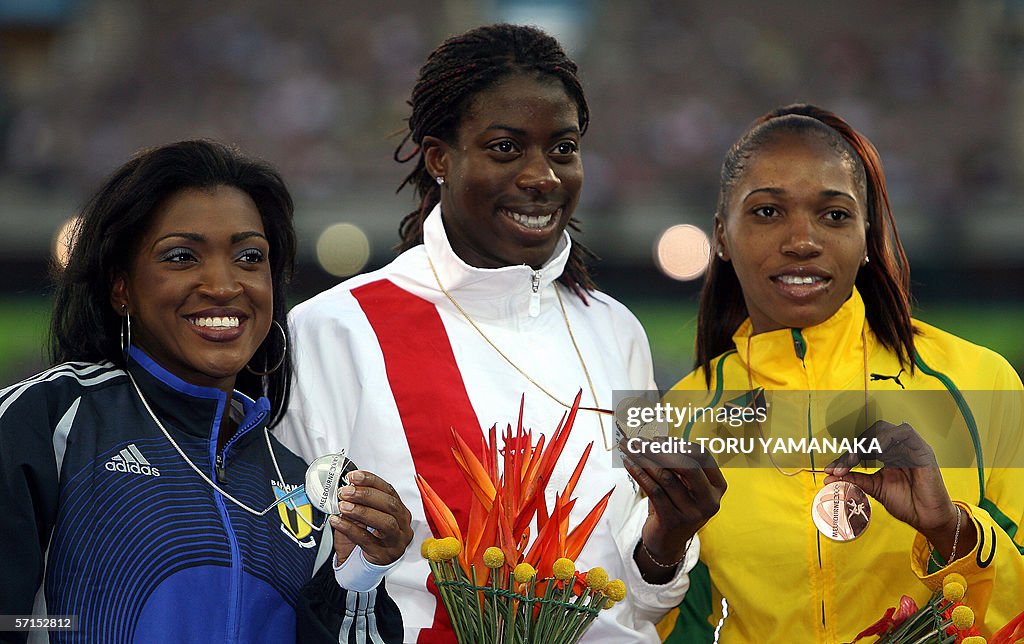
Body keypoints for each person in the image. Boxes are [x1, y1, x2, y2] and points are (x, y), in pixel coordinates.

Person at [276, 23, 723, 644]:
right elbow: (292, 561)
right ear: (439, 158)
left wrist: (670, 534)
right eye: (507, 148)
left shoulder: (619, 331)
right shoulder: (334, 330)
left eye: (563, 148)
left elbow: (643, 597)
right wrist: (357, 561)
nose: (543, 176)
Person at [0, 140, 410, 644]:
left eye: (248, 257)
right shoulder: (47, 422)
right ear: (121, 287)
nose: (222, 284)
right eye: (181, 256)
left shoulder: (304, 482)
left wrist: (359, 577)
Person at [660, 105, 1024, 642]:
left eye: (834, 215)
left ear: (866, 235)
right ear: (721, 234)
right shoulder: (677, 415)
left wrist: (951, 531)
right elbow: (670, 627)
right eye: (766, 212)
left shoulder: (979, 382)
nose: (802, 241)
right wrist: (660, 551)